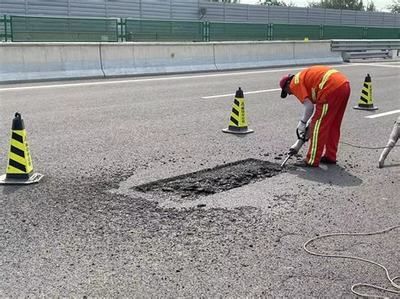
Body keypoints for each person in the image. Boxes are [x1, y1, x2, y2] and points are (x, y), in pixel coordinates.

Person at [279, 65, 351, 167]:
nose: (290, 94)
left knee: (318, 126)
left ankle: (312, 160)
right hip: (343, 85)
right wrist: (309, 122)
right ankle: (330, 156)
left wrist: (303, 122)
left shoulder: (294, 83)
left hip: (330, 88)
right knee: (333, 125)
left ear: (287, 85)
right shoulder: (303, 77)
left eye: (287, 92)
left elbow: (309, 107)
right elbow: (314, 108)